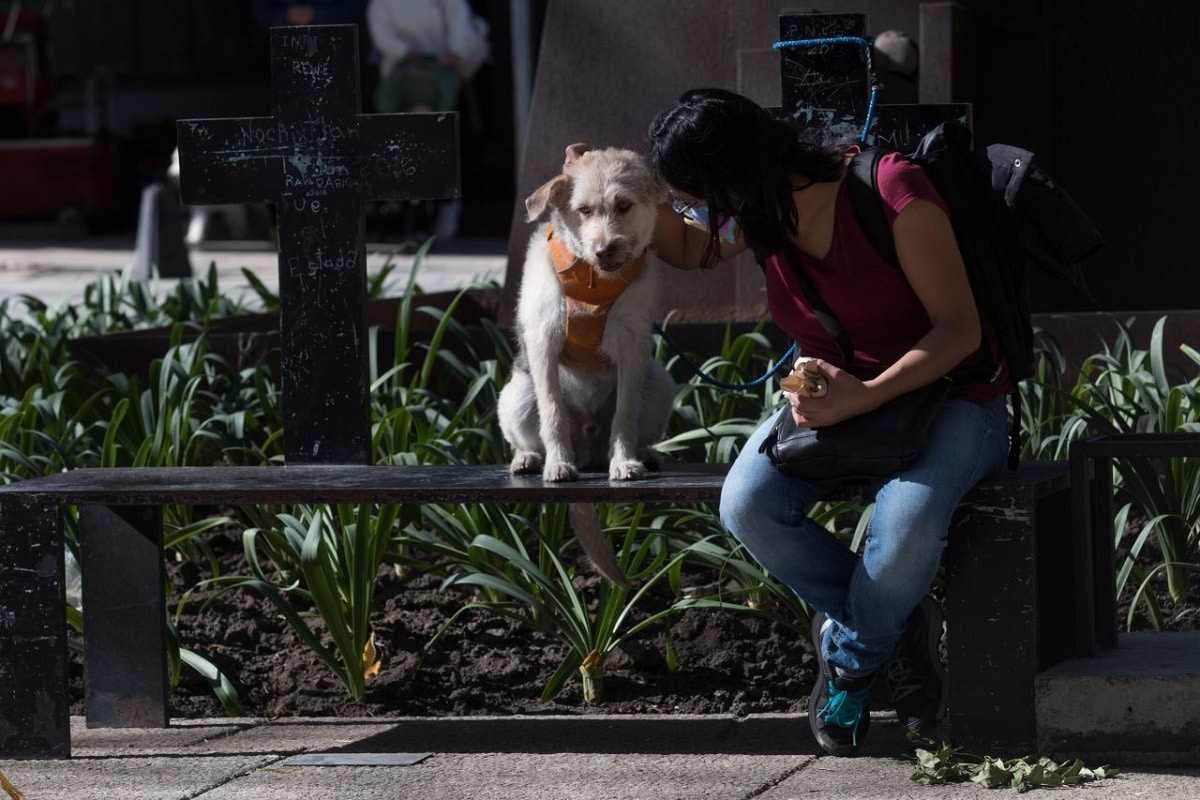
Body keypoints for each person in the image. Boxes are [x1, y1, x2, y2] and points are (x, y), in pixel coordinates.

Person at [645, 88, 1011, 757]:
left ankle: (848, 658)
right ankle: (896, 632)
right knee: (746, 504)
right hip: (834, 389)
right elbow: (679, 247)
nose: (695, 215)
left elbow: (961, 331)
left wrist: (865, 394)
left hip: (955, 393)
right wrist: (591, 193)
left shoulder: (890, 188)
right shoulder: (758, 212)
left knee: (903, 531)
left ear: (731, 179)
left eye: (695, 197)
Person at [366, 0, 490, 242]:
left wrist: (453, 55)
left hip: (444, 83)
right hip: (400, 84)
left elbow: (461, 32)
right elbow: (383, 35)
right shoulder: (381, 5)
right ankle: (405, 217)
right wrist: (407, 53)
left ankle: (443, 209)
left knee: (442, 147)